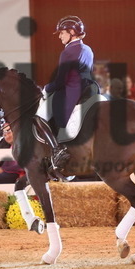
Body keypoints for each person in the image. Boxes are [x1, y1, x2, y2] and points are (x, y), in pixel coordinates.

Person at [34, 15, 98, 178]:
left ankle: (57, 151)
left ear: (72, 32)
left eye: (62, 33)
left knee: (40, 116)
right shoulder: (88, 49)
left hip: (72, 91)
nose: (60, 37)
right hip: (90, 89)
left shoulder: (68, 51)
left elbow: (61, 80)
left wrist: (47, 88)